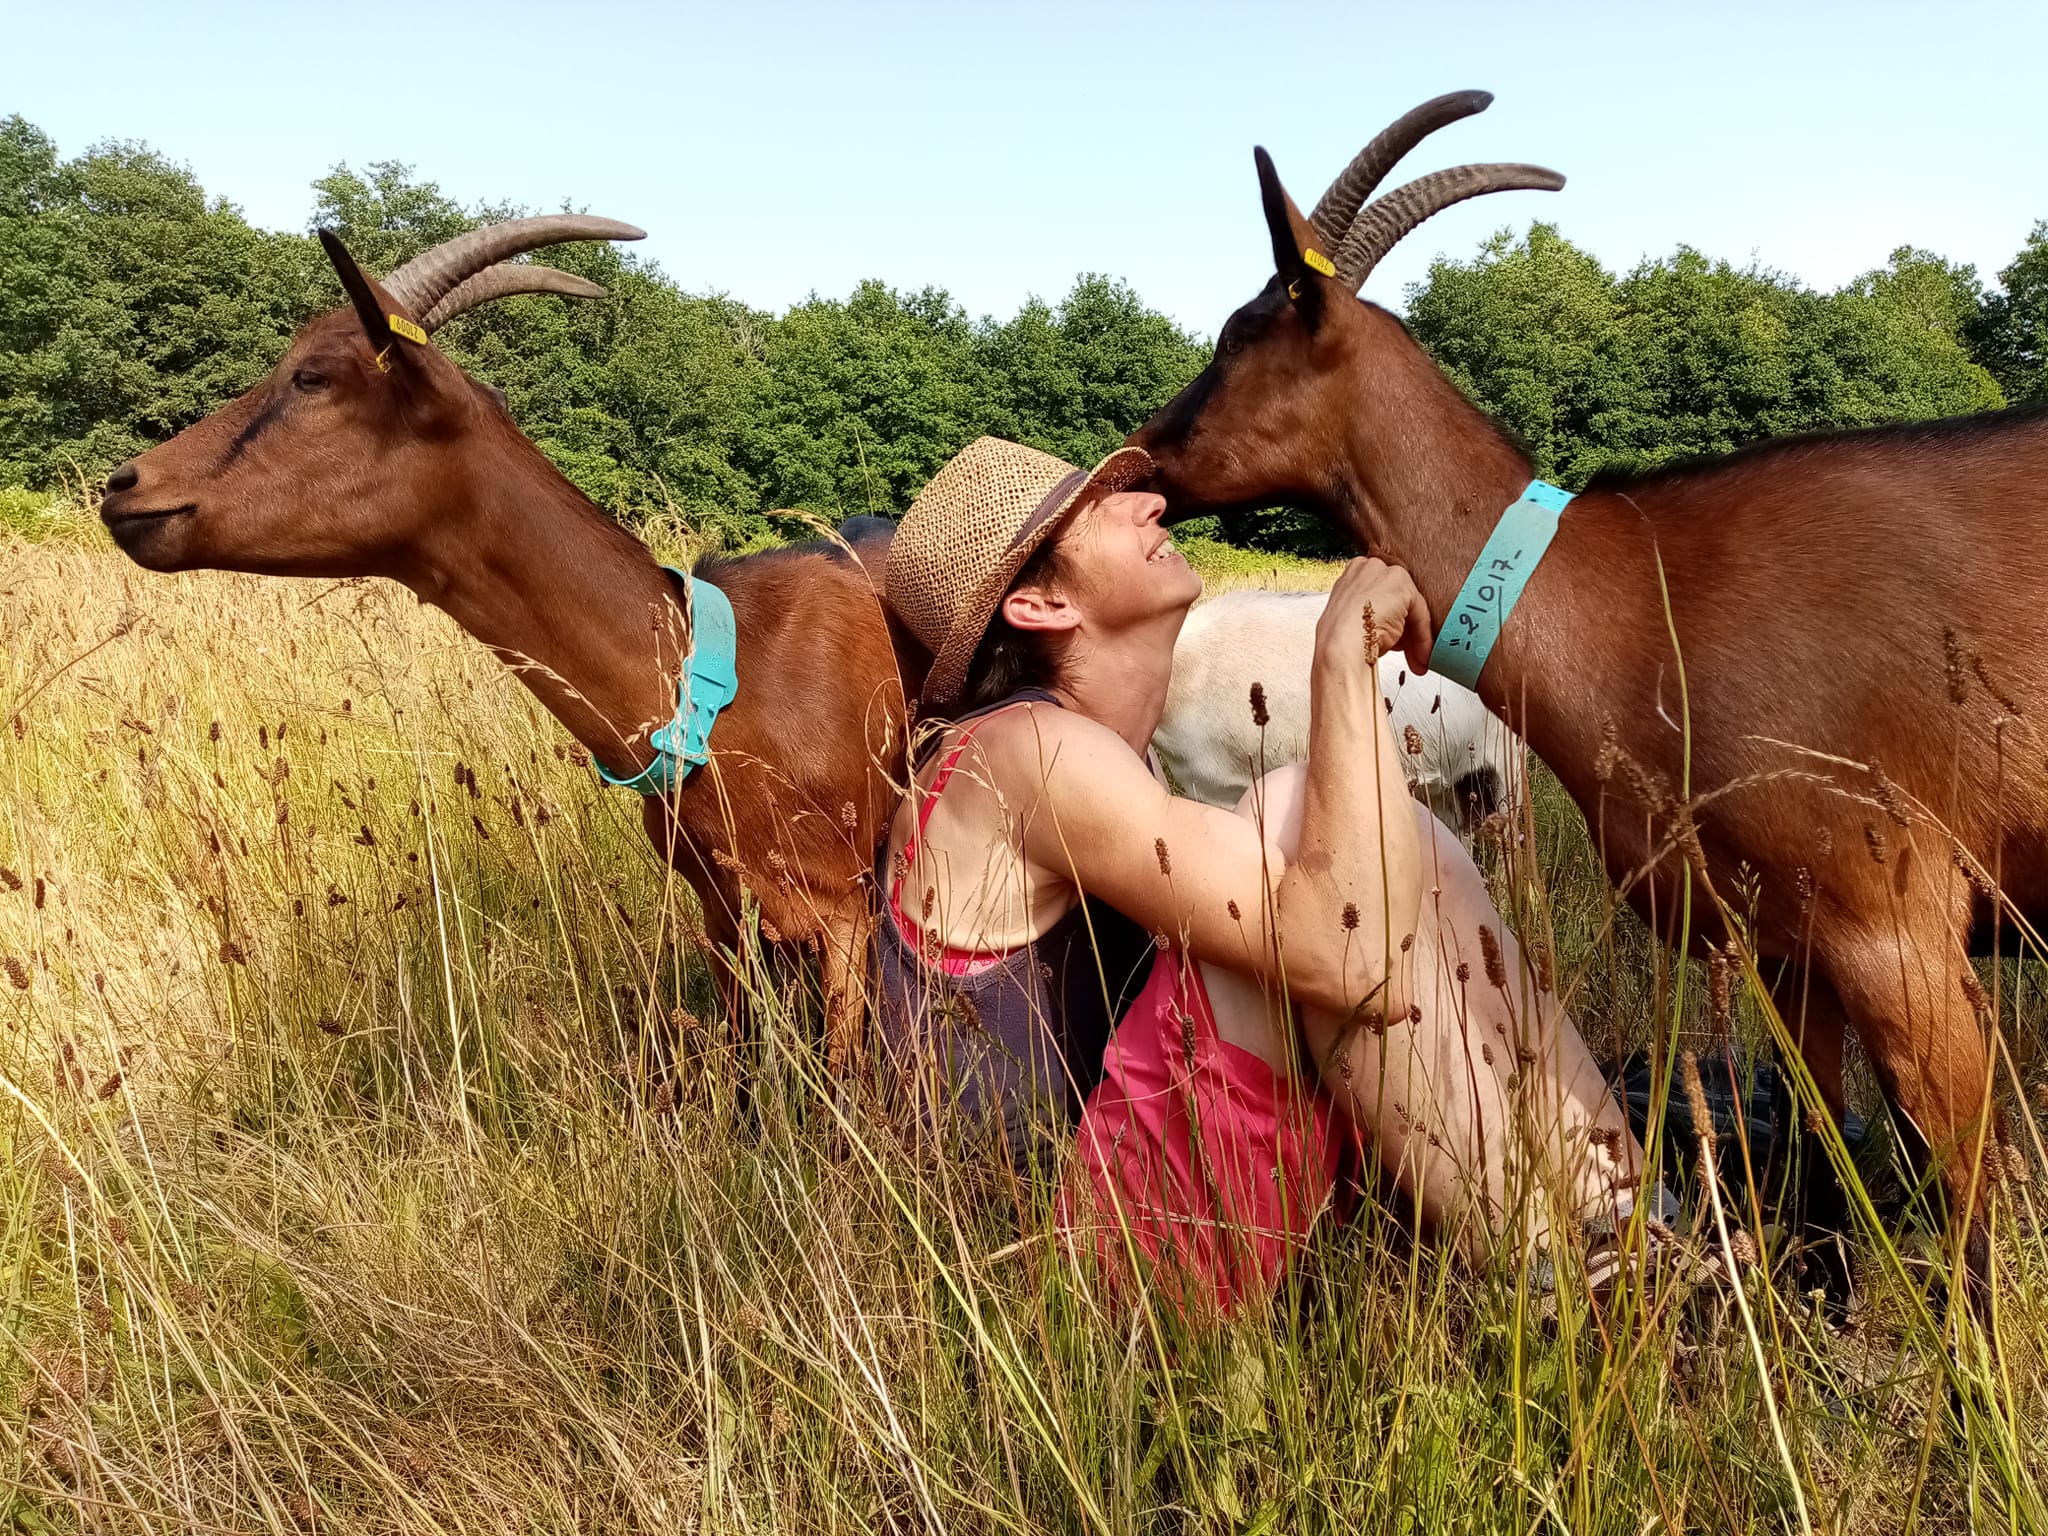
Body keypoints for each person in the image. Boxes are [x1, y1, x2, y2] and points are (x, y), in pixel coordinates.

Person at [878, 437, 1675, 1314]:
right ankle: (1569, 1280)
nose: (1150, 504)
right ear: (1040, 602)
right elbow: (1347, 957)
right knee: (1299, 817)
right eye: (1096, 506)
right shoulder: (1025, 751)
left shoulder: (1058, 751)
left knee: (1361, 838)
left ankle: (1630, 1231)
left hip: (1117, 1211)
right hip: (1071, 1273)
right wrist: (1340, 663)